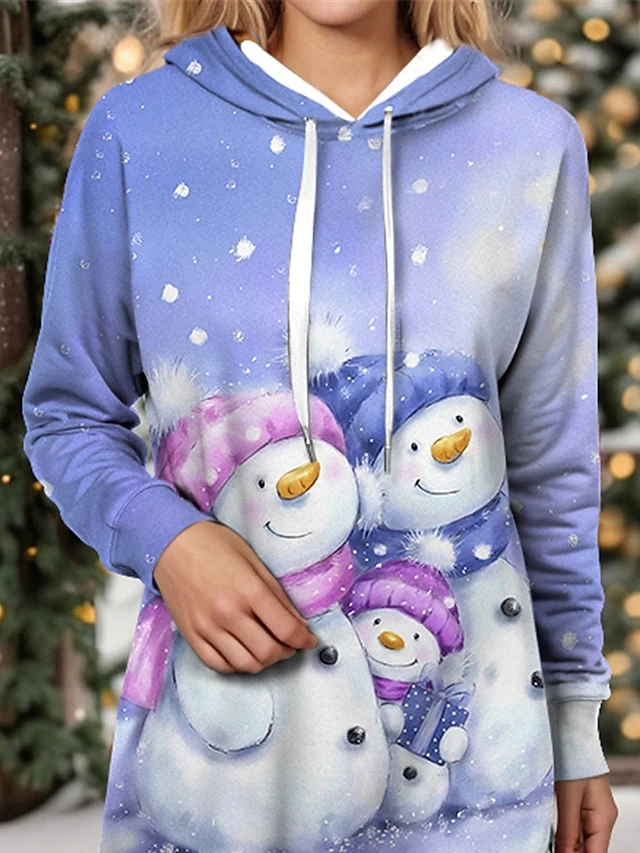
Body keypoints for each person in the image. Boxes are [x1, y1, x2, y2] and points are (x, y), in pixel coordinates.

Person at [21, 1, 619, 851]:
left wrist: (574, 725)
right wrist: (169, 540)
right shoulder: (138, 133)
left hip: (469, 789)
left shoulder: (528, 144)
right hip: (217, 782)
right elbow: (67, 416)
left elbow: (550, 465)